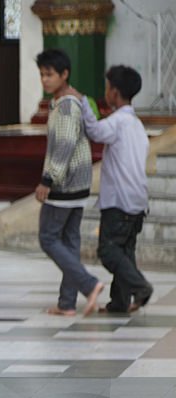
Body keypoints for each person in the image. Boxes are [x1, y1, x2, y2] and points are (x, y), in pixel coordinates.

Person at [65, 66, 152, 314]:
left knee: (108, 250)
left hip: (120, 200)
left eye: (107, 88)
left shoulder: (118, 122)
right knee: (125, 250)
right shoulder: (136, 124)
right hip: (137, 199)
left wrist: (82, 104)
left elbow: (95, 131)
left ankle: (140, 286)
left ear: (114, 92)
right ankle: (120, 302)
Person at [34, 49, 104, 316]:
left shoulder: (65, 105)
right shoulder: (72, 101)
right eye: (41, 74)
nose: (45, 80)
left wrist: (47, 180)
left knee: (48, 238)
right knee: (70, 240)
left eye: (50, 74)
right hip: (80, 183)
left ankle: (89, 284)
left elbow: (63, 145)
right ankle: (66, 303)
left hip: (64, 184)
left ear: (65, 74)